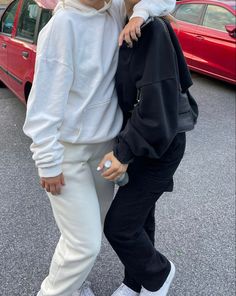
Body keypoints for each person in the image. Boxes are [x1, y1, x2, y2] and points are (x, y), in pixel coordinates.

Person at [23, 0, 176, 295]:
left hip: (104, 152)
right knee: (85, 244)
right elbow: (43, 107)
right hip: (69, 156)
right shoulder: (63, 26)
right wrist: (47, 162)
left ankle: (76, 285)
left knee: (78, 236)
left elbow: (166, 1)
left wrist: (140, 14)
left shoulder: (115, 9)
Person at [98, 1, 198, 296]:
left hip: (160, 144)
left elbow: (156, 104)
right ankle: (135, 282)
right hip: (144, 136)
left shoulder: (151, 29)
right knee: (141, 216)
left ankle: (159, 274)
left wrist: (123, 152)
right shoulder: (129, 22)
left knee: (120, 226)